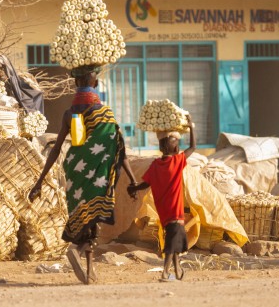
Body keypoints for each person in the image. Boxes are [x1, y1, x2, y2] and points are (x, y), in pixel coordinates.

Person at [28, 64, 137, 285]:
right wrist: (133, 180)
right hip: (98, 172)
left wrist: (40, 181)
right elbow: (119, 148)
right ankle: (78, 250)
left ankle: (89, 270)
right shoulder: (106, 113)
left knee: (82, 215)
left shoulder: (70, 114)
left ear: (76, 83)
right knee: (95, 217)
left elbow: (57, 148)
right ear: (95, 84)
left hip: (75, 170)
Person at [127, 114, 196, 282]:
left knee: (175, 240)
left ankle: (178, 270)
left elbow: (145, 184)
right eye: (176, 142)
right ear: (172, 147)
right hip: (175, 212)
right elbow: (193, 147)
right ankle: (165, 272)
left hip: (164, 213)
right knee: (172, 244)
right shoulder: (177, 161)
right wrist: (191, 126)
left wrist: (134, 187)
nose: (179, 145)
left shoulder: (156, 165)